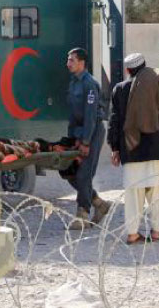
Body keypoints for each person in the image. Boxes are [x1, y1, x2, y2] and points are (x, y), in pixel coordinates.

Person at [108, 53, 159, 244]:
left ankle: (132, 233)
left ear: (127, 70)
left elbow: (115, 120)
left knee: (134, 195)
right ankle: (156, 231)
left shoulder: (120, 89)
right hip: (158, 148)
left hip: (131, 148)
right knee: (156, 193)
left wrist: (115, 147)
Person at [66, 47, 111, 229]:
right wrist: (73, 138)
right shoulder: (73, 83)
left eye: (72, 60)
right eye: (68, 60)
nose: (68, 64)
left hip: (92, 132)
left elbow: (90, 115)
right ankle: (99, 204)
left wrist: (85, 141)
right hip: (79, 132)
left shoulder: (89, 83)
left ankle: (82, 213)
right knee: (71, 173)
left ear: (82, 63)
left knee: (84, 173)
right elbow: (73, 114)